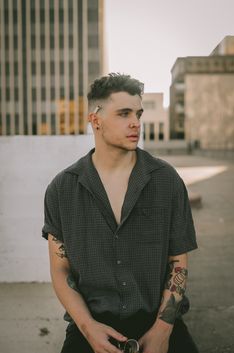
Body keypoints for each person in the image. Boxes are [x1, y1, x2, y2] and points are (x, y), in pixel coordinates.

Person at [42, 73, 199, 353]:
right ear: (95, 119)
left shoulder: (166, 180)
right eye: (124, 113)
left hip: (160, 320)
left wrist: (163, 330)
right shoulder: (62, 189)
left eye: (138, 113)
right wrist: (88, 329)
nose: (136, 122)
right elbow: (61, 269)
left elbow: (178, 260)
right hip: (91, 325)